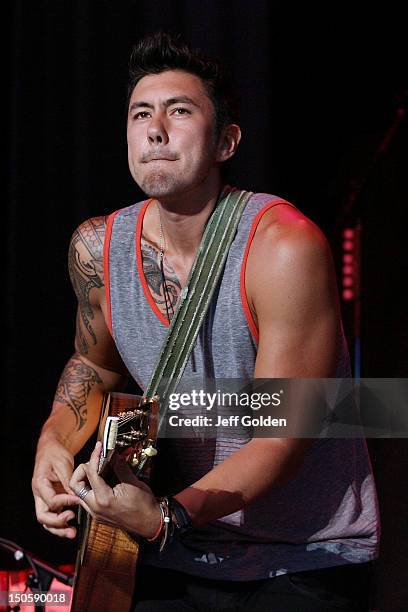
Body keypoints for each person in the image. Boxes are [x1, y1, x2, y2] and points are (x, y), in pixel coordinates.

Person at [32, 32, 379, 611]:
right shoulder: (96, 247)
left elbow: (286, 428)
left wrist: (169, 515)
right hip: (170, 547)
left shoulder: (284, 245)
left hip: (301, 553)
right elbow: (93, 364)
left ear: (225, 142)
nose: (156, 129)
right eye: (141, 113)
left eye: (180, 111)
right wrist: (53, 443)